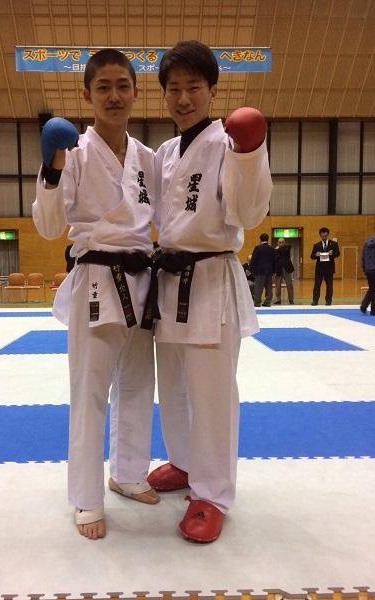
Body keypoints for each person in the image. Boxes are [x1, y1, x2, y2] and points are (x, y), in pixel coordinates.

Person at [145, 40, 272, 543]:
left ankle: (213, 494)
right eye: (173, 89)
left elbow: (247, 213)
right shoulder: (165, 153)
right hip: (169, 280)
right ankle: (184, 461)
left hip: (211, 279)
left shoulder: (228, 142)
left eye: (193, 88)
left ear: (213, 91)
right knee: (173, 386)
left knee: (213, 394)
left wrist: (251, 151)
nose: (183, 98)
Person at [32, 49, 159, 541]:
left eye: (122, 85)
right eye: (103, 87)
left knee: (138, 386)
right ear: (87, 95)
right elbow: (48, 227)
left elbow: (165, 221)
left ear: (135, 92)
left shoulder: (147, 158)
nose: (114, 95)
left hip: (142, 281)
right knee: (89, 392)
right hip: (96, 281)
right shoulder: (74, 152)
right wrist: (52, 167)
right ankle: (86, 496)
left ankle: (128, 473)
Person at [311, 227, 340, 305]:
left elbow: (338, 253)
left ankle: (328, 300)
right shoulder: (316, 245)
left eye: (325, 236)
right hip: (319, 268)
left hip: (329, 268)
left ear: (328, 235)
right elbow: (312, 256)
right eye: (322, 236)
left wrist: (332, 253)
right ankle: (315, 300)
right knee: (317, 285)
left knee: (329, 285)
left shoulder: (333, 244)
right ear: (320, 235)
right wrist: (316, 255)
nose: (324, 237)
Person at [249, 233, 277, 307]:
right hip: (269, 271)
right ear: (268, 239)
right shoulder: (272, 249)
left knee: (258, 287)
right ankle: (267, 302)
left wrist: (250, 269)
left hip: (259, 270)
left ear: (260, 239)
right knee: (269, 287)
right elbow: (274, 261)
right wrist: (274, 271)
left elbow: (254, 259)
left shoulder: (258, 248)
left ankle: (257, 302)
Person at [273, 237, 295, 305]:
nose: (281, 244)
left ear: (285, 243)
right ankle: (278, 299)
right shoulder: (275, 250)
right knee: (278, 285)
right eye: (280, 243)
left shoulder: (287, 247)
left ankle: (291, 299)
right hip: (278, 268)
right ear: (277, 243)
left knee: (289, 284)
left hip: (286, 268)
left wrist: (277, 249)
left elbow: (284, 252)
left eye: (282, 242)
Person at [361, 234, 375, 315]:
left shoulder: (367, 241)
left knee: (372, 288)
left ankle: (364, 305)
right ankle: (373, 310)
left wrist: (364, 268)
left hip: (368, 269)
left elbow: (363, 256)